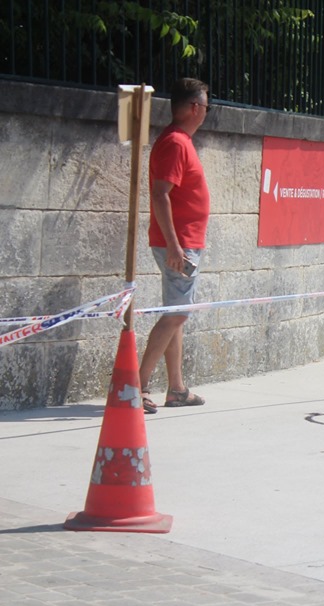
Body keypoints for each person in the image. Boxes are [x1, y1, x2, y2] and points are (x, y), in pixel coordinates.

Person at [139, 78, 211, 413]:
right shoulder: (176, 143)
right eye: (207, 106)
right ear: (195, 107)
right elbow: (160, 194)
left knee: (176, 314)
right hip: (179, 244)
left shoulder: (178, 141)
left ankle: (177, 389)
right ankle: (136, 386)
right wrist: (174, 245)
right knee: (177, 314)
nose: (207, 112)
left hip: (181, 242)